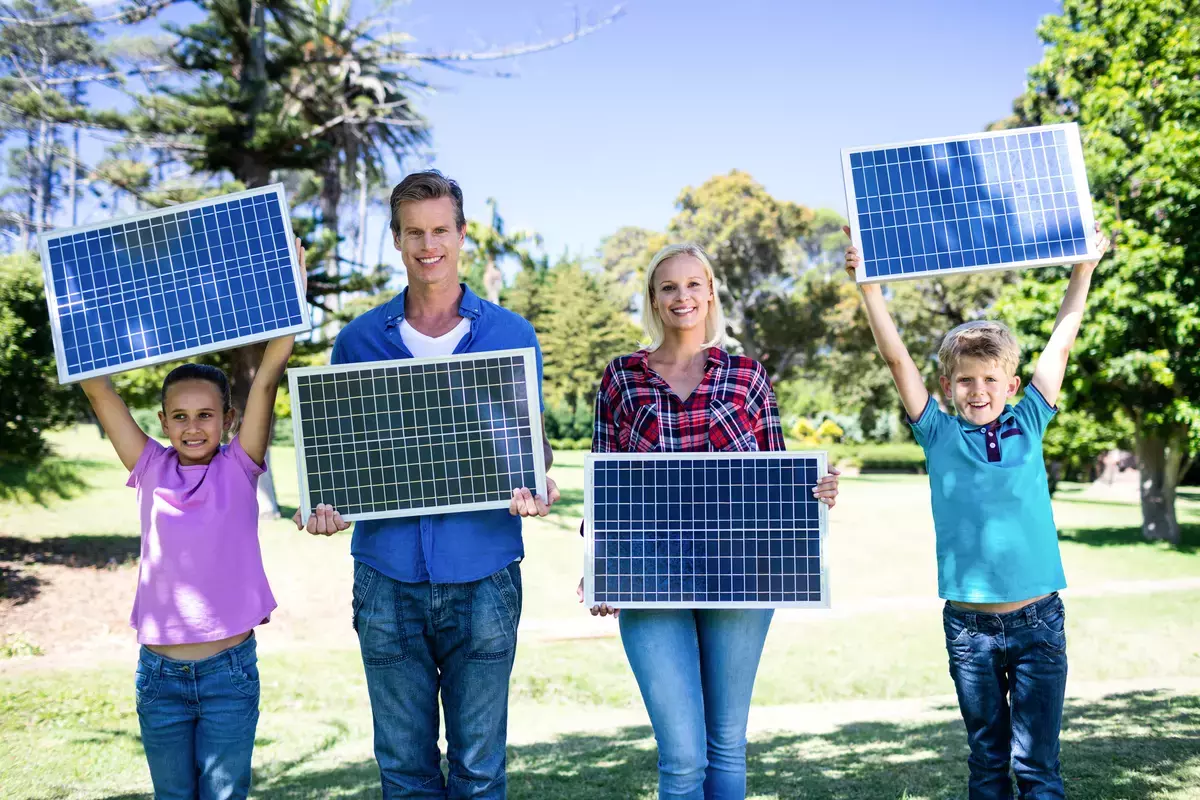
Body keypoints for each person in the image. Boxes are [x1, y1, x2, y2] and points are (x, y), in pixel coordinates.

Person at [295, 170, 559, 799]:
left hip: (486, 577)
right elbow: (346, 457)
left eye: (440, 229)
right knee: (405, 773)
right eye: (414, 232)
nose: (428, 244)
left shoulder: (511, 335)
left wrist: (536, 480)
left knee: (479, 770)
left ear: (462, 235)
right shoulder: (358, 342)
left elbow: (532, 441)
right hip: (387, 581)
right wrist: (331, 508)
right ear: (396, 239)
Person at [843, 222, 1110, 799]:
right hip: (969, 629)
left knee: (1038, 767)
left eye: (991, 379)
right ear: (947, 386)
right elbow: (895, 360)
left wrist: (1083, 269)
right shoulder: (937, 433)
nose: (979, 390)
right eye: (965, 380)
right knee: (988, 762)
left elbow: (1061, 342)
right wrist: (869, 289)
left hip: (1039, 621)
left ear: (1012, 383)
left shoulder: (1031, 419)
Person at [579, 243, 840, 800]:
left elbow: (779, 476)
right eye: (669, 287)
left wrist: (818, 490)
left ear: (711, 292)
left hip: (740, 576)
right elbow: (604, 488)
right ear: (653, 298)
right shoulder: (621, 379)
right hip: (650, 579)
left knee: (726, 745)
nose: (683, 296)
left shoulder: (746, 375)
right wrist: (599, 567)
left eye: (694, 284)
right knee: (681, 758)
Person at [79, 239, 307, 799]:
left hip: (229, 673)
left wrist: (293, 294)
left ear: (228, 419)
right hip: (159, 680)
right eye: (179, 417)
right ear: (162, 421)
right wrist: (77, 302)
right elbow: (96, 387)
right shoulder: (150, 466)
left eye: (206, 415)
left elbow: (269, 373)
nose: (193, 427)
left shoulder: (239, 467)